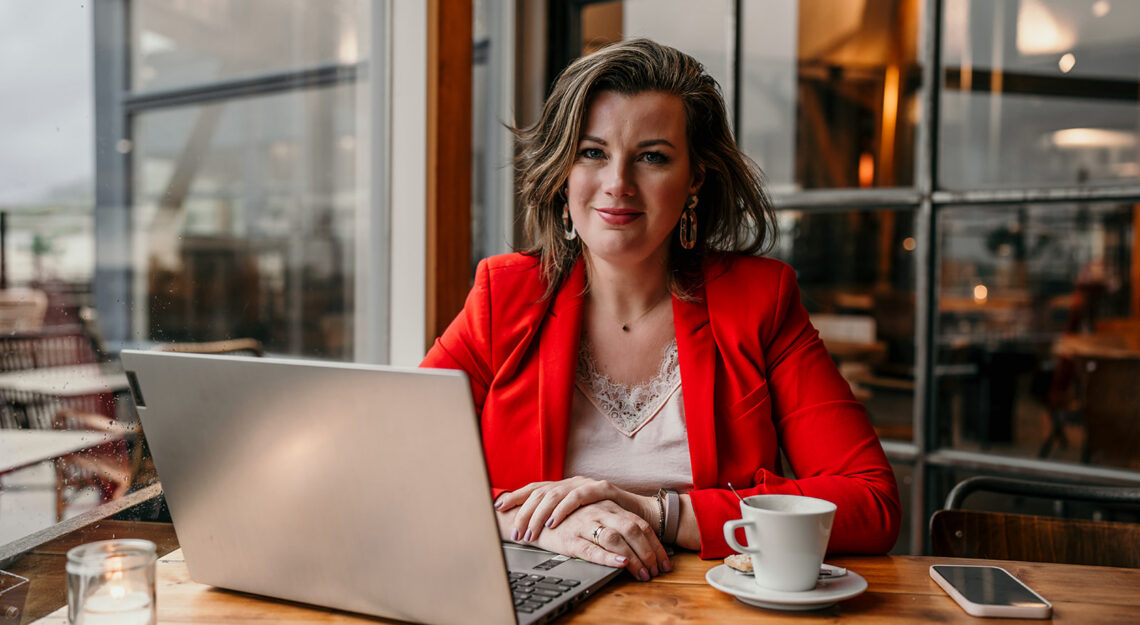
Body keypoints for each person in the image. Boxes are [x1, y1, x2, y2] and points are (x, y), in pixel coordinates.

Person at [421, 38, 900, 582]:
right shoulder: (502, 296)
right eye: (592, 152)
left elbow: (871, 501)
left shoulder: (760, 301)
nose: (617, 184)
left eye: (652, 157)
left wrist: (660, 513)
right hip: (536, 601)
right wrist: (530, 525)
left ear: (695, 177)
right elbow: (395, 461)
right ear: (564, 172)